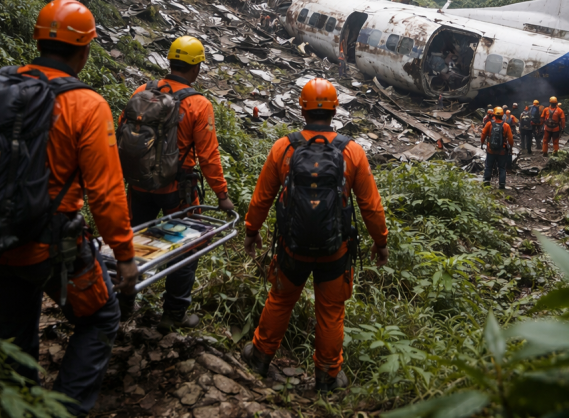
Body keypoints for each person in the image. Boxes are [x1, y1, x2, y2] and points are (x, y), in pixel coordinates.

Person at [0, 0, 138, 416]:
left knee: (13, 332)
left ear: (36, 38)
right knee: (101, 318)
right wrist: (124, 256)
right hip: (53, 247)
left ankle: (17, 407)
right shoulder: (86, 104)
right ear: (85, 50)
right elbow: (106, 191)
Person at [241, 78, 388, 393]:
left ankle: (260, 358)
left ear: (301, 108)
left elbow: (262, 197)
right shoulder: (352, 151)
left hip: (291, 248)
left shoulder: (284, 147)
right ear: (336, 109)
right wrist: (381, 242)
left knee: (280, 300)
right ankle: (327, 377)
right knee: (332, 312)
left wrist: (251, 230)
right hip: (335, 251)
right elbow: (371, 207)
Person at [123, 36, 234, 332]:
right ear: (196, 68)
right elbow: (208, 156)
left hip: (138, 185)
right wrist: (222, 195)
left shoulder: (142, 91)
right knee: (188, 247)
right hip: (177, 190)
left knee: (130, 243)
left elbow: (121, 135)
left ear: (170, 61)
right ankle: (173, 313)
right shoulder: (198, 104)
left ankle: (123, 304)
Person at [481, 107, 513, 189]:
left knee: (489, 166)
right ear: (503, 115)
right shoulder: (506, 125)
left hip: (490, 149)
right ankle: (501, 184)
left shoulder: (489, 124)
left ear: (494, 115)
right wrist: (511, 147)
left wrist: (482, 143)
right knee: (502, 167)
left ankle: (486, 182)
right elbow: (510, 139)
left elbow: (483, 134)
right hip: (502, 151)